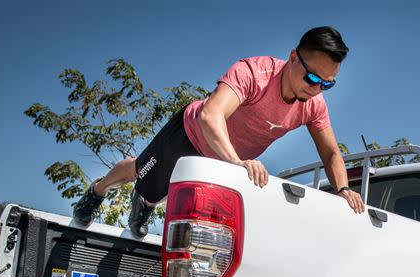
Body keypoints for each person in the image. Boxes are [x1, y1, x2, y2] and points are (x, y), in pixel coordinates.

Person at [73, 26, 365, 237]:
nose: (316, 89)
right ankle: (98, 189)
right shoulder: (254, 73)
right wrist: (237, 162)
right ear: (292, 58)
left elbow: (330, 152)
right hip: (189, 135)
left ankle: (147, 202)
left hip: (222, 162)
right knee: (141, 172)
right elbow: (211, 116)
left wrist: (343, 190)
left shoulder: (313, 103)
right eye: (312, 77)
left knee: (175, 201)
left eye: (326, 84)